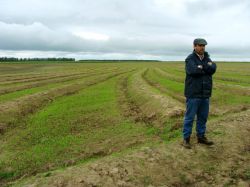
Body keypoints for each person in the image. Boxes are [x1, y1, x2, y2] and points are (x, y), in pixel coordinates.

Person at [182, 38, 217, 149]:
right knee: (189, 117)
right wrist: (205, 67)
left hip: (205, 94)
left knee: (203, 117)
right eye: (200, 45)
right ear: (194, 46)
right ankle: (186, 139)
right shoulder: (190, 59)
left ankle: (201, 137)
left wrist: (202, 67)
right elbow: (192, 71)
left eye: (203, 46)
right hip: (193, 94)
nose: (202, 47)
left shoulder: (207, 58)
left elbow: (213, 68)